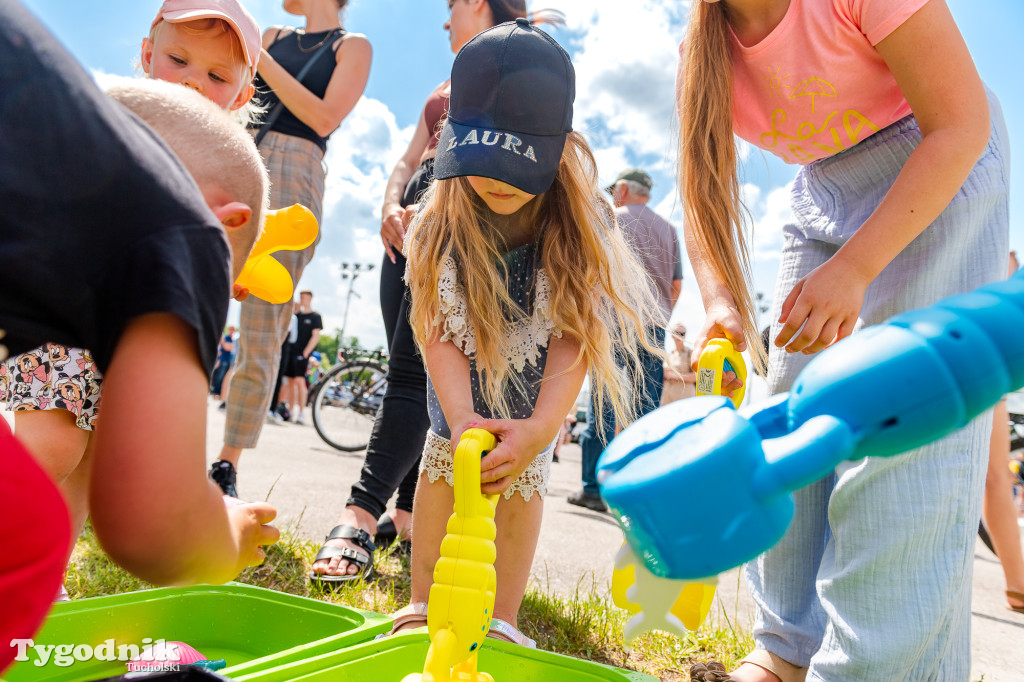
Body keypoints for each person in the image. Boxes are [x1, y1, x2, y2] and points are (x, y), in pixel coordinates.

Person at [677, 1, 1008, 680]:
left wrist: (857, 268)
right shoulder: (702, 49)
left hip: (936, 164)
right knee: (791, 421)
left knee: (902, 432)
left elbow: (961, 124)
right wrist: (720, 306)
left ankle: (871, 664)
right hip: (825, 190)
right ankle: (782, 649)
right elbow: (702, 189)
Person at [0, 2, 277, 669]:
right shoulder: (183, 231)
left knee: (76, 472)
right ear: (224, 224)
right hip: (74, 334)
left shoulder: (67, 129)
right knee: (52, 454)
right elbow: (150, 526)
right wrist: (221, 532)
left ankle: (39, 597)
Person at [389, 19, 665, 644]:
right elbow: (435, 328)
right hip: (461, 350)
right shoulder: (441, 215)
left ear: (559, 148)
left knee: (520, 473)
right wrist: (461, 419)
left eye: (518, 163)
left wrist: (542, 427)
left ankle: (503, 615)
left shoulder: (580, 217)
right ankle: (421, 600)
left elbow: (576, 332)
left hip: (540, 356)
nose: (498, 180)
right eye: (483, 158)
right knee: (445, 461)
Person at [310, 0, 564, 586]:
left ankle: (359, 511)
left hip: (473, 198)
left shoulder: (529, 65)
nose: (444, 22)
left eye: (450, 8)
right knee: (420, 366)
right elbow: (406, 158)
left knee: (413, 368)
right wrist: (389, 204)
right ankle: (405, 515)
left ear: (475, 3)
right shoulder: (442, 82)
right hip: (420, 204)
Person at [210, 0, 371, 498]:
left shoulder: (352, 47)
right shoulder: (272, 33)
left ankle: (225, 466)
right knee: (187, 288)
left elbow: (323, 118)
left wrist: (263, 57)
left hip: (297, 166)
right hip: (237, 148)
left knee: (263, 320)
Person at [568, 167, 681, 513]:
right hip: (654, 327)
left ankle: (592, 488)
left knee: (604, 406)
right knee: (645, 412)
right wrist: (659, 314)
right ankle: (637, 493)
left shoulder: (611, 219)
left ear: (621, 189)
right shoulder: (669, 230)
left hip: (613, 321)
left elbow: (589, 270)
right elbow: (676, 287)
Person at [982, 251, 1024, 615]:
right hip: (988, 365)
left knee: (995, 477)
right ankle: (1018, 585)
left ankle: (1018, 585)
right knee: (995, 477)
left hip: (988, 362)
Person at [282, 290, 323, 424]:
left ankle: (301, 412)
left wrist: (306, 352)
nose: (302, 299)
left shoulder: (315, 317)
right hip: (291, 352)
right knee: (290, 382)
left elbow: (316, 336)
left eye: (304, 297)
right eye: (301, 297)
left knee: (300, 382)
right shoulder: (297, 316)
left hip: (302, 354)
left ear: (310, 298)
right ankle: (290, 410)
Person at [660, 322, 697, 405]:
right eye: (677, 333)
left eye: (682, 333)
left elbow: (697, 376)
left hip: (685, 399)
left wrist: (675, 376)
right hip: (667, 399)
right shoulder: (668, 355)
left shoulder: (691, 353)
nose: (679, 336)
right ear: (672, 335)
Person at [211, 325, 238, 399]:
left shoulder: (234, 340)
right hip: (223, 360)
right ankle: (215, 392)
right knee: (219, 377)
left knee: (224, 378)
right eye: (230, 329)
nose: (231, 331)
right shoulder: (226, 338)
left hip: (230, 362)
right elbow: (226, 347)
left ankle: (220, 393)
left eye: (233, 329)